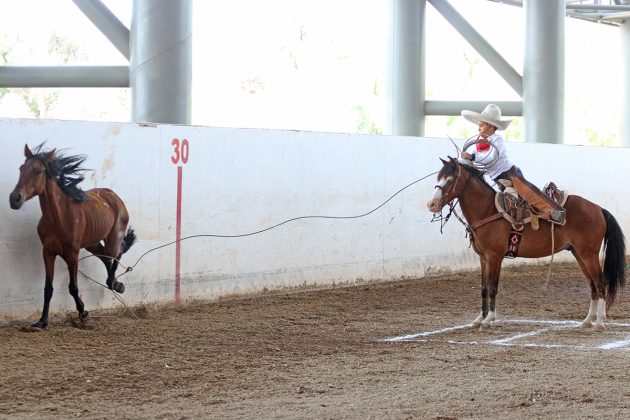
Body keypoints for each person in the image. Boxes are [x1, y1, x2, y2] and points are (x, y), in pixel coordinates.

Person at [458, 104, 566, 225]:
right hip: (498, 180)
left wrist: (471, 157)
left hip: (510, 174)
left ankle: (556, 212)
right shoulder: (477, 145)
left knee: (528, 193)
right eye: (479, 126)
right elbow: (469, 160)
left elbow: (491, 157)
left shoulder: (497, 140)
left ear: (490, 126)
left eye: (481, 126)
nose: (479, 129)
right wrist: (458, 161)